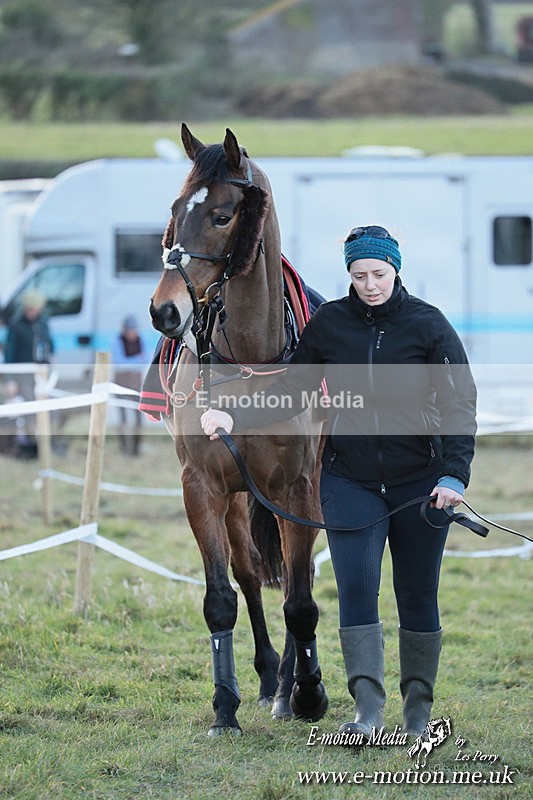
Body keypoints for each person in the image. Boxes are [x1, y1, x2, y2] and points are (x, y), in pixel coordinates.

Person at [200, 225, 477, 740]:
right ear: (348, 275)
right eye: (359, 274)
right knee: (355, 590)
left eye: (378, 273)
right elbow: (294, 391)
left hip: (421, 482)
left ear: (396, 269)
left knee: (417, 595)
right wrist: (236, 415)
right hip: (350, 483)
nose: (370, 284)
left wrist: (453, 474)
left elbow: (460, 405)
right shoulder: (329, 324)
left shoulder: (429, 326)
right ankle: (367, 711)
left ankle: (417, 714)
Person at [111, 315, 147, 455]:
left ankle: (136, 448)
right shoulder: (116, 341)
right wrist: (136, 361)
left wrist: (131, 362)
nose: (132, 333)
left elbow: (145, 360)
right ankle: (124, 447)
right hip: (120, 382)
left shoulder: (141, 339)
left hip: (136, 383)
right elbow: (119, 364)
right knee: (123, 418)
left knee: (138, 416)